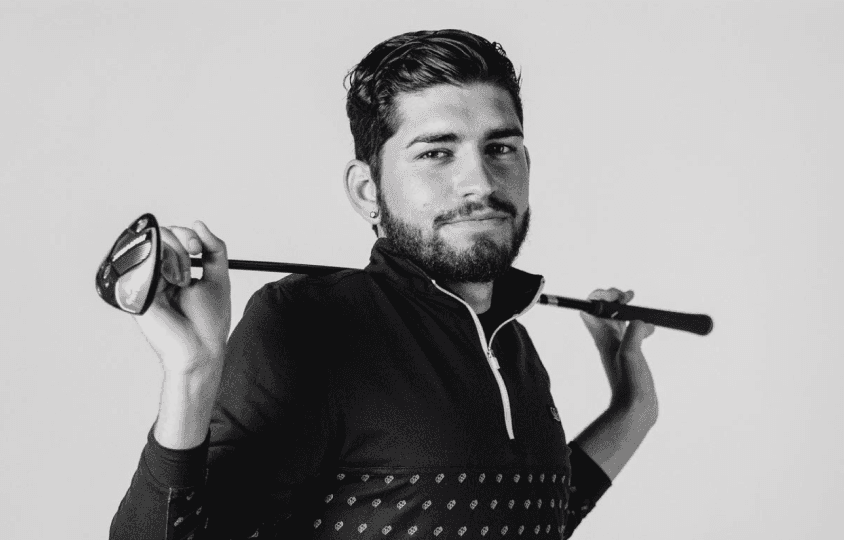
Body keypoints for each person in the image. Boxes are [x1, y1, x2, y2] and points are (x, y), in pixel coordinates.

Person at [108, 29, 659, 540]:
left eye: (500, 148)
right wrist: (192, 372)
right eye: (436, 153)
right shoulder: (313, 324)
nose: (479, 182)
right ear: (367, 191)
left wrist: (634, 405)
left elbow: (530, 519)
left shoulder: (508, 340)